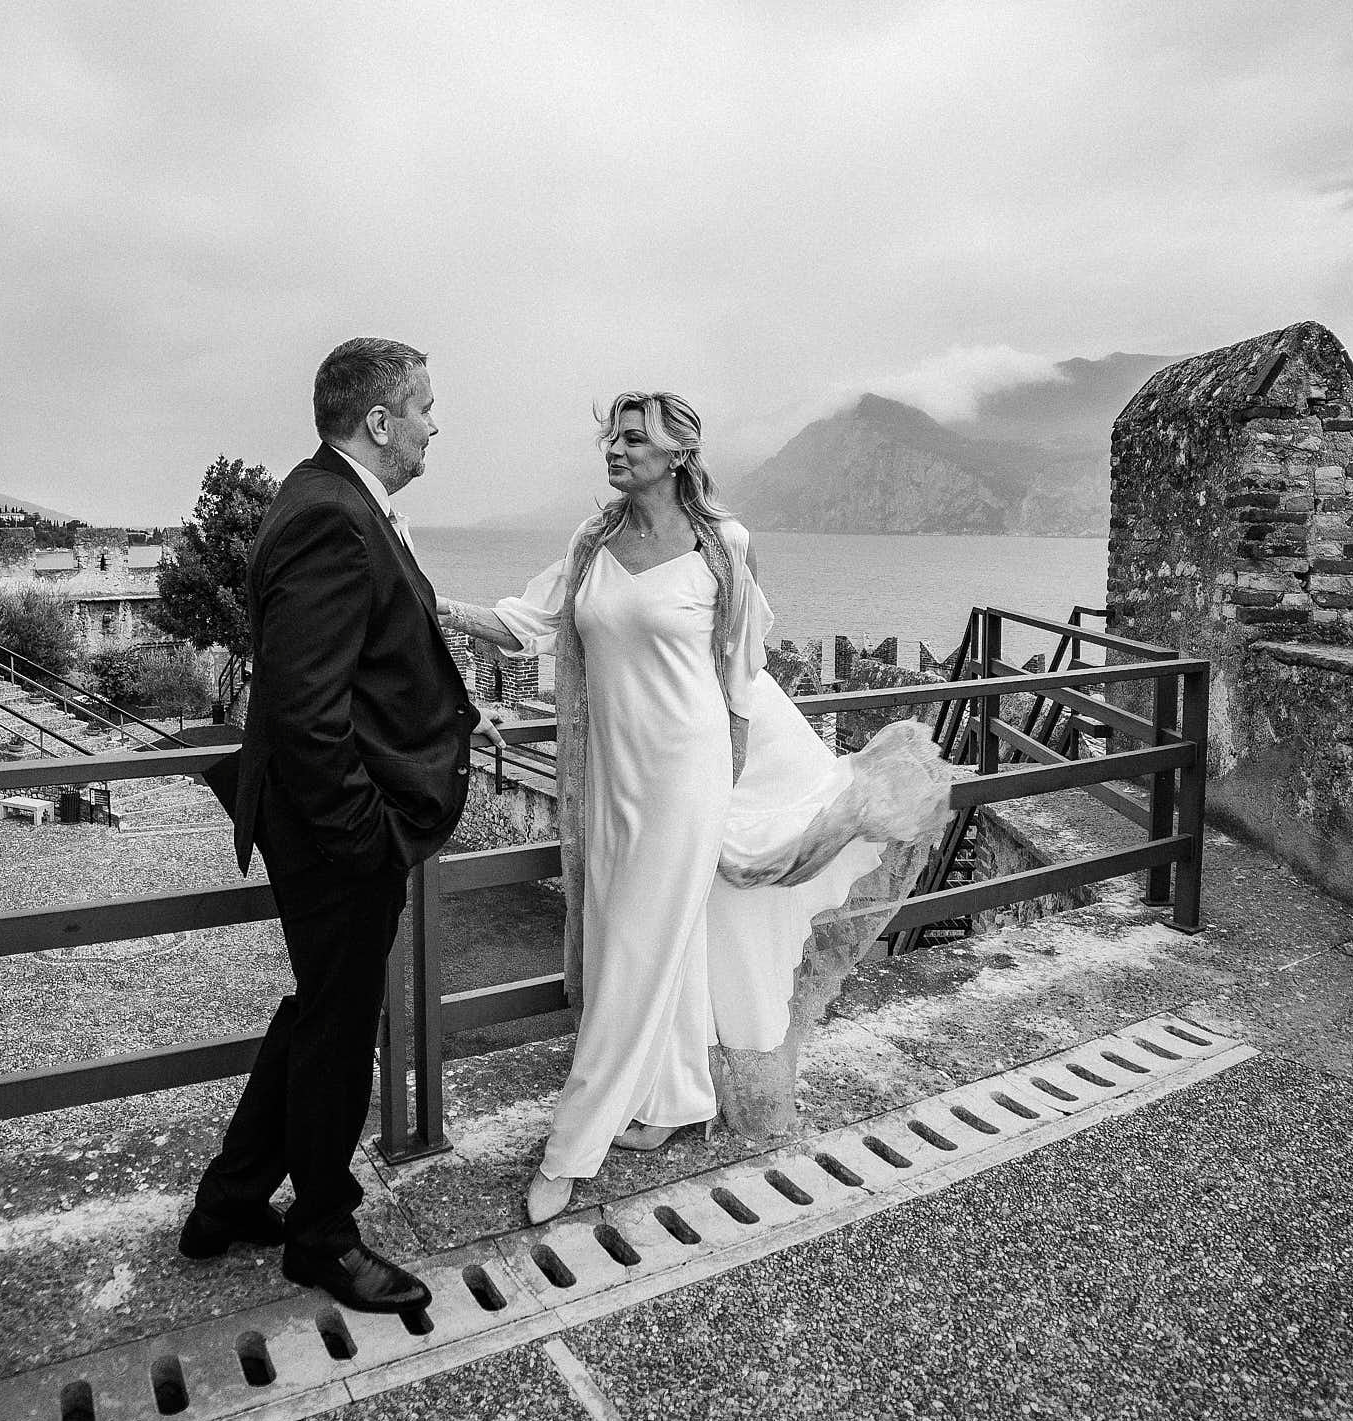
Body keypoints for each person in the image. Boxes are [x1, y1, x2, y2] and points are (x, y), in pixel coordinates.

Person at [439, 391, 942, 1225]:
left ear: (677, 453)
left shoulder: (723, 545)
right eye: (611, 436)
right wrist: (429, 601)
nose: (615, 448)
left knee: (633, 953)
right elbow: (523, 623)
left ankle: (570, 1146)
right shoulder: (592, 542)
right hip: (613, 781)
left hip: (688, 777)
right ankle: (675, 1099)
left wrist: (728, 782)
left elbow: (740, 678)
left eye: (633, 438)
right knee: (634, 939)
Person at [179, 337, 499, 1316]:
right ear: (379, 421)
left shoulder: (328, 497)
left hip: (322, 824)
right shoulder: (331, 516)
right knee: (339, 1024)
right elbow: (307, 710)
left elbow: (358, 669)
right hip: (332, 834)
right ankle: (321, 1232)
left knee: (321, 1010)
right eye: (426, 407)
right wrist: (367, 840)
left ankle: (230, 1198)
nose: (437, 424)